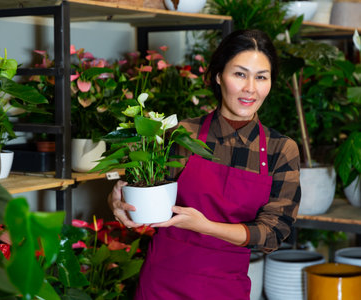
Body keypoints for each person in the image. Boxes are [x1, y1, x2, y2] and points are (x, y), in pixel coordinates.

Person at [108, 29, 301, 300]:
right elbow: (144, 193)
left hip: (226, 287)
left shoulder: (280, 150)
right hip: (162, 282)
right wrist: (118, 202)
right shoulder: (179, 133)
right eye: (240, 74)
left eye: (261, 77)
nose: (250, 88)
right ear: (219, 76)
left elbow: (273, 233)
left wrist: (204, 225)